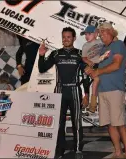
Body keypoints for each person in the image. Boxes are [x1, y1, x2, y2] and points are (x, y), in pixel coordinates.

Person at [38, 27, 89, 159]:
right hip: (60, 90)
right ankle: (60, 149)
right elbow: (42, 69)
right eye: (64, 37)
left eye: (68, 37)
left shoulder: (79, 54)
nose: (66, 39)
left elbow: (86, 76)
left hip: (74, 91)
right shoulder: (56, 54)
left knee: (77, 121)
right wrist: (41, 55)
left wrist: (87, 94)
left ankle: (77, 149)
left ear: (73, 38)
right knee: (59, 122)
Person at [85, 22, 126, 158]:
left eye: (104, 31)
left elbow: (116, 65)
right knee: (110, 124)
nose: (101, 34)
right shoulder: (103, 49)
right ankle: (118, 152)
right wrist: (91, 70)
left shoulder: (118, 45)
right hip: (102, 90)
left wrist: (98, 71)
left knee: (120, 123)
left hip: (115, 89)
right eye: (100, 32)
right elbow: (98, 68)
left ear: (112, 32)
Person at [80, 25, 104, 113]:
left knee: (99, 81)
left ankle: (94, 102)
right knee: (96, 79)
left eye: (89, 34)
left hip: (100, 65)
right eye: (85, 34)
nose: (86, 36)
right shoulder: (85, 45)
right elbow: (84, 58)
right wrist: (88, 62)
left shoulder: (101, 41)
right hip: (90, 66)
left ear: (95, 34)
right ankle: (92, 104)